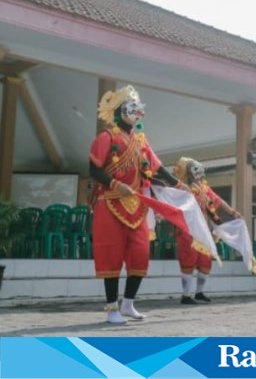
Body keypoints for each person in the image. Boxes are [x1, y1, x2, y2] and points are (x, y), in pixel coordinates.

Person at [89, 85, 186, 324]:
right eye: (130, 106)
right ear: (119, 110)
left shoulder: (141, 142)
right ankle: (111, 308)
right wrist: (113, 183)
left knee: (140, 254)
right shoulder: (106, 138)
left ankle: (128, 304)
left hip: (136, 206)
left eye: (137, 107)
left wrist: (178, 184)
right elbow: (93, 169)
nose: (135, 111)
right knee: (111, 255)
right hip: (110, 203)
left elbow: (157, 169)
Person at [173, 157, 243, 304]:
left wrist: (232, 212)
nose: (199, 174)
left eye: (200, 172)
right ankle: (185, 295)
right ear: (189, 173)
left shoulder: (205, 189)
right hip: (188, 230)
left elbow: (219, 200)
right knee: (188, 260)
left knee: (205, 262)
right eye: (195, 171)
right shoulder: (182, 188)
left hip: (204, 231)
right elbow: (173, 203)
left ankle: (199, 292)